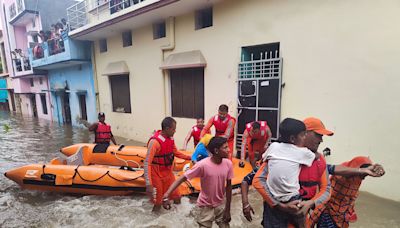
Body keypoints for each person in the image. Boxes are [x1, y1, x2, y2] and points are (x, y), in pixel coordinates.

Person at [162, 137, 233, 228]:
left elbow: (229, 187)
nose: (229, 150)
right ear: (216, 150)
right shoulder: (202, 165)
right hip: (205, 206)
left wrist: (228, 209)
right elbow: (182, 178)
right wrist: (167, 194)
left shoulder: (228, 164)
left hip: (220, 205)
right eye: (225, 147)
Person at [263, 118, 315, 228]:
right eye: (303, 135)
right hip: (292, 197)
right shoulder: (303, 152)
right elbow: (315, 156)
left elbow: (264, 158)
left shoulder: (273, 147)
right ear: (292, 138)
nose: (305, 137)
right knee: (300, 223)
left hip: (272, 196)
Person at [144, 117, 191, 212]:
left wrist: (190, 158)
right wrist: (148, 184)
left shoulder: (170, 139)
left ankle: (179, 218)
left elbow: (176, 153)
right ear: (167, 129)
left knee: (177, 197)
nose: (175, 131)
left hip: (168, 172)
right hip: (156, 173)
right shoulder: (154, 143)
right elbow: (147, 163)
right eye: (173, 129)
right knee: (158, 203)